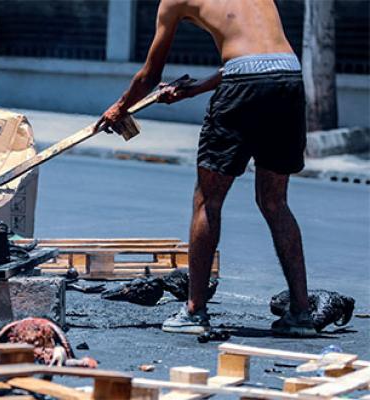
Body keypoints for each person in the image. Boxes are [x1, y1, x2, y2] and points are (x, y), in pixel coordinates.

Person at [95, 0, 315, 337]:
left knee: (207, 200)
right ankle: (302, 314)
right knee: (274, 201)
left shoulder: (173, 2)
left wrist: (119, 108)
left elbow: (150, 75)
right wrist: (193, 90)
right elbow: (253, 60)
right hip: (288, 76)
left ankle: (195, 310)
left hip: (245, 85)